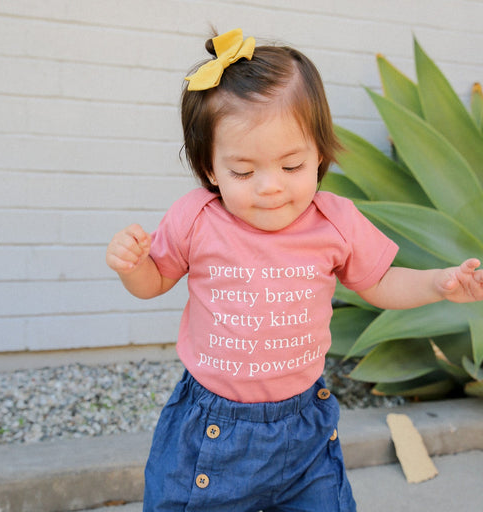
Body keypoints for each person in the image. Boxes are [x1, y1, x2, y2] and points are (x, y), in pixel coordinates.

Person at [106, 29, 483, 511]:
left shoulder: (335, 221)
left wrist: (438, 283)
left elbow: (379, 281)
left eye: (291, 166)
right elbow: (154, 281)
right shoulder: (197, 218)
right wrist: (134, 266)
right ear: (210, 169)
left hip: (304, 428)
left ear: (319, 153)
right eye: (244, 171)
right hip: (214, 429)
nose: (270, 187)